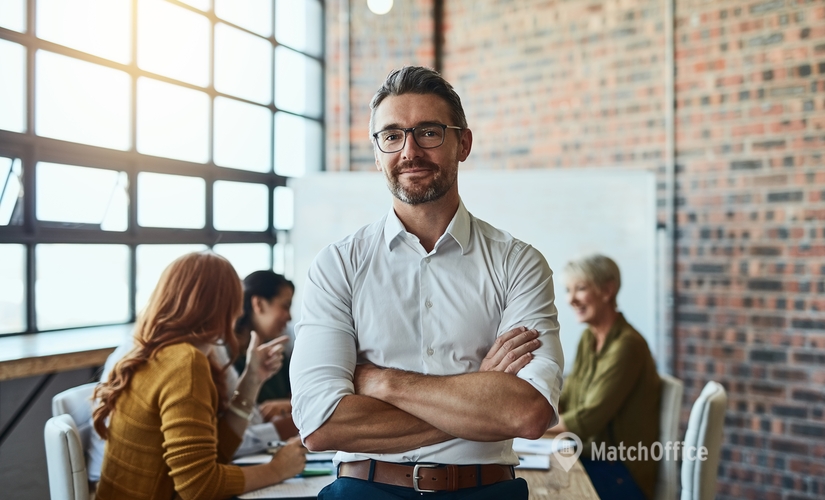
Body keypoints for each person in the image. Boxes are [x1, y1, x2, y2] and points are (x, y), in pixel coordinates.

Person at [290, 66, 564, 499]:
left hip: (484, 491)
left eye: (429, 133)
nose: (409, 150)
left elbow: (526, 412)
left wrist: (383, 382)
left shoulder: (518, 263)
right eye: (392, 135)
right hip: (364, 491)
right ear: (378, 152)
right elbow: (320, 425)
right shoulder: (338, 265)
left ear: (463, 143)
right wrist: (478, 388)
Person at [92, 252, 306, 500]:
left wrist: (251, 381)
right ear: (220, 304)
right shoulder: (186, 362)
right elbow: (198, 487)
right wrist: (276, 470)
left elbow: (214, 456)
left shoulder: (165, 352)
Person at [549, 254, 661, 500]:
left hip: (620, 473)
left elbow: (587, 421)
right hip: (589, 457)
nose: (571, 299)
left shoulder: (627, 346)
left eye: (580, 288)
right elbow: (566, 399)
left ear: (607, 290)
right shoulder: (589, 338)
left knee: (540, 487)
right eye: (568, 290)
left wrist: (528, 426)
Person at [233, 270, 297, 434]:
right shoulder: (226, 357)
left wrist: (288, 405)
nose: (289, 317)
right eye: (285, 306)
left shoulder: (278, 354)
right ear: (259, 304)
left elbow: (299, 395)